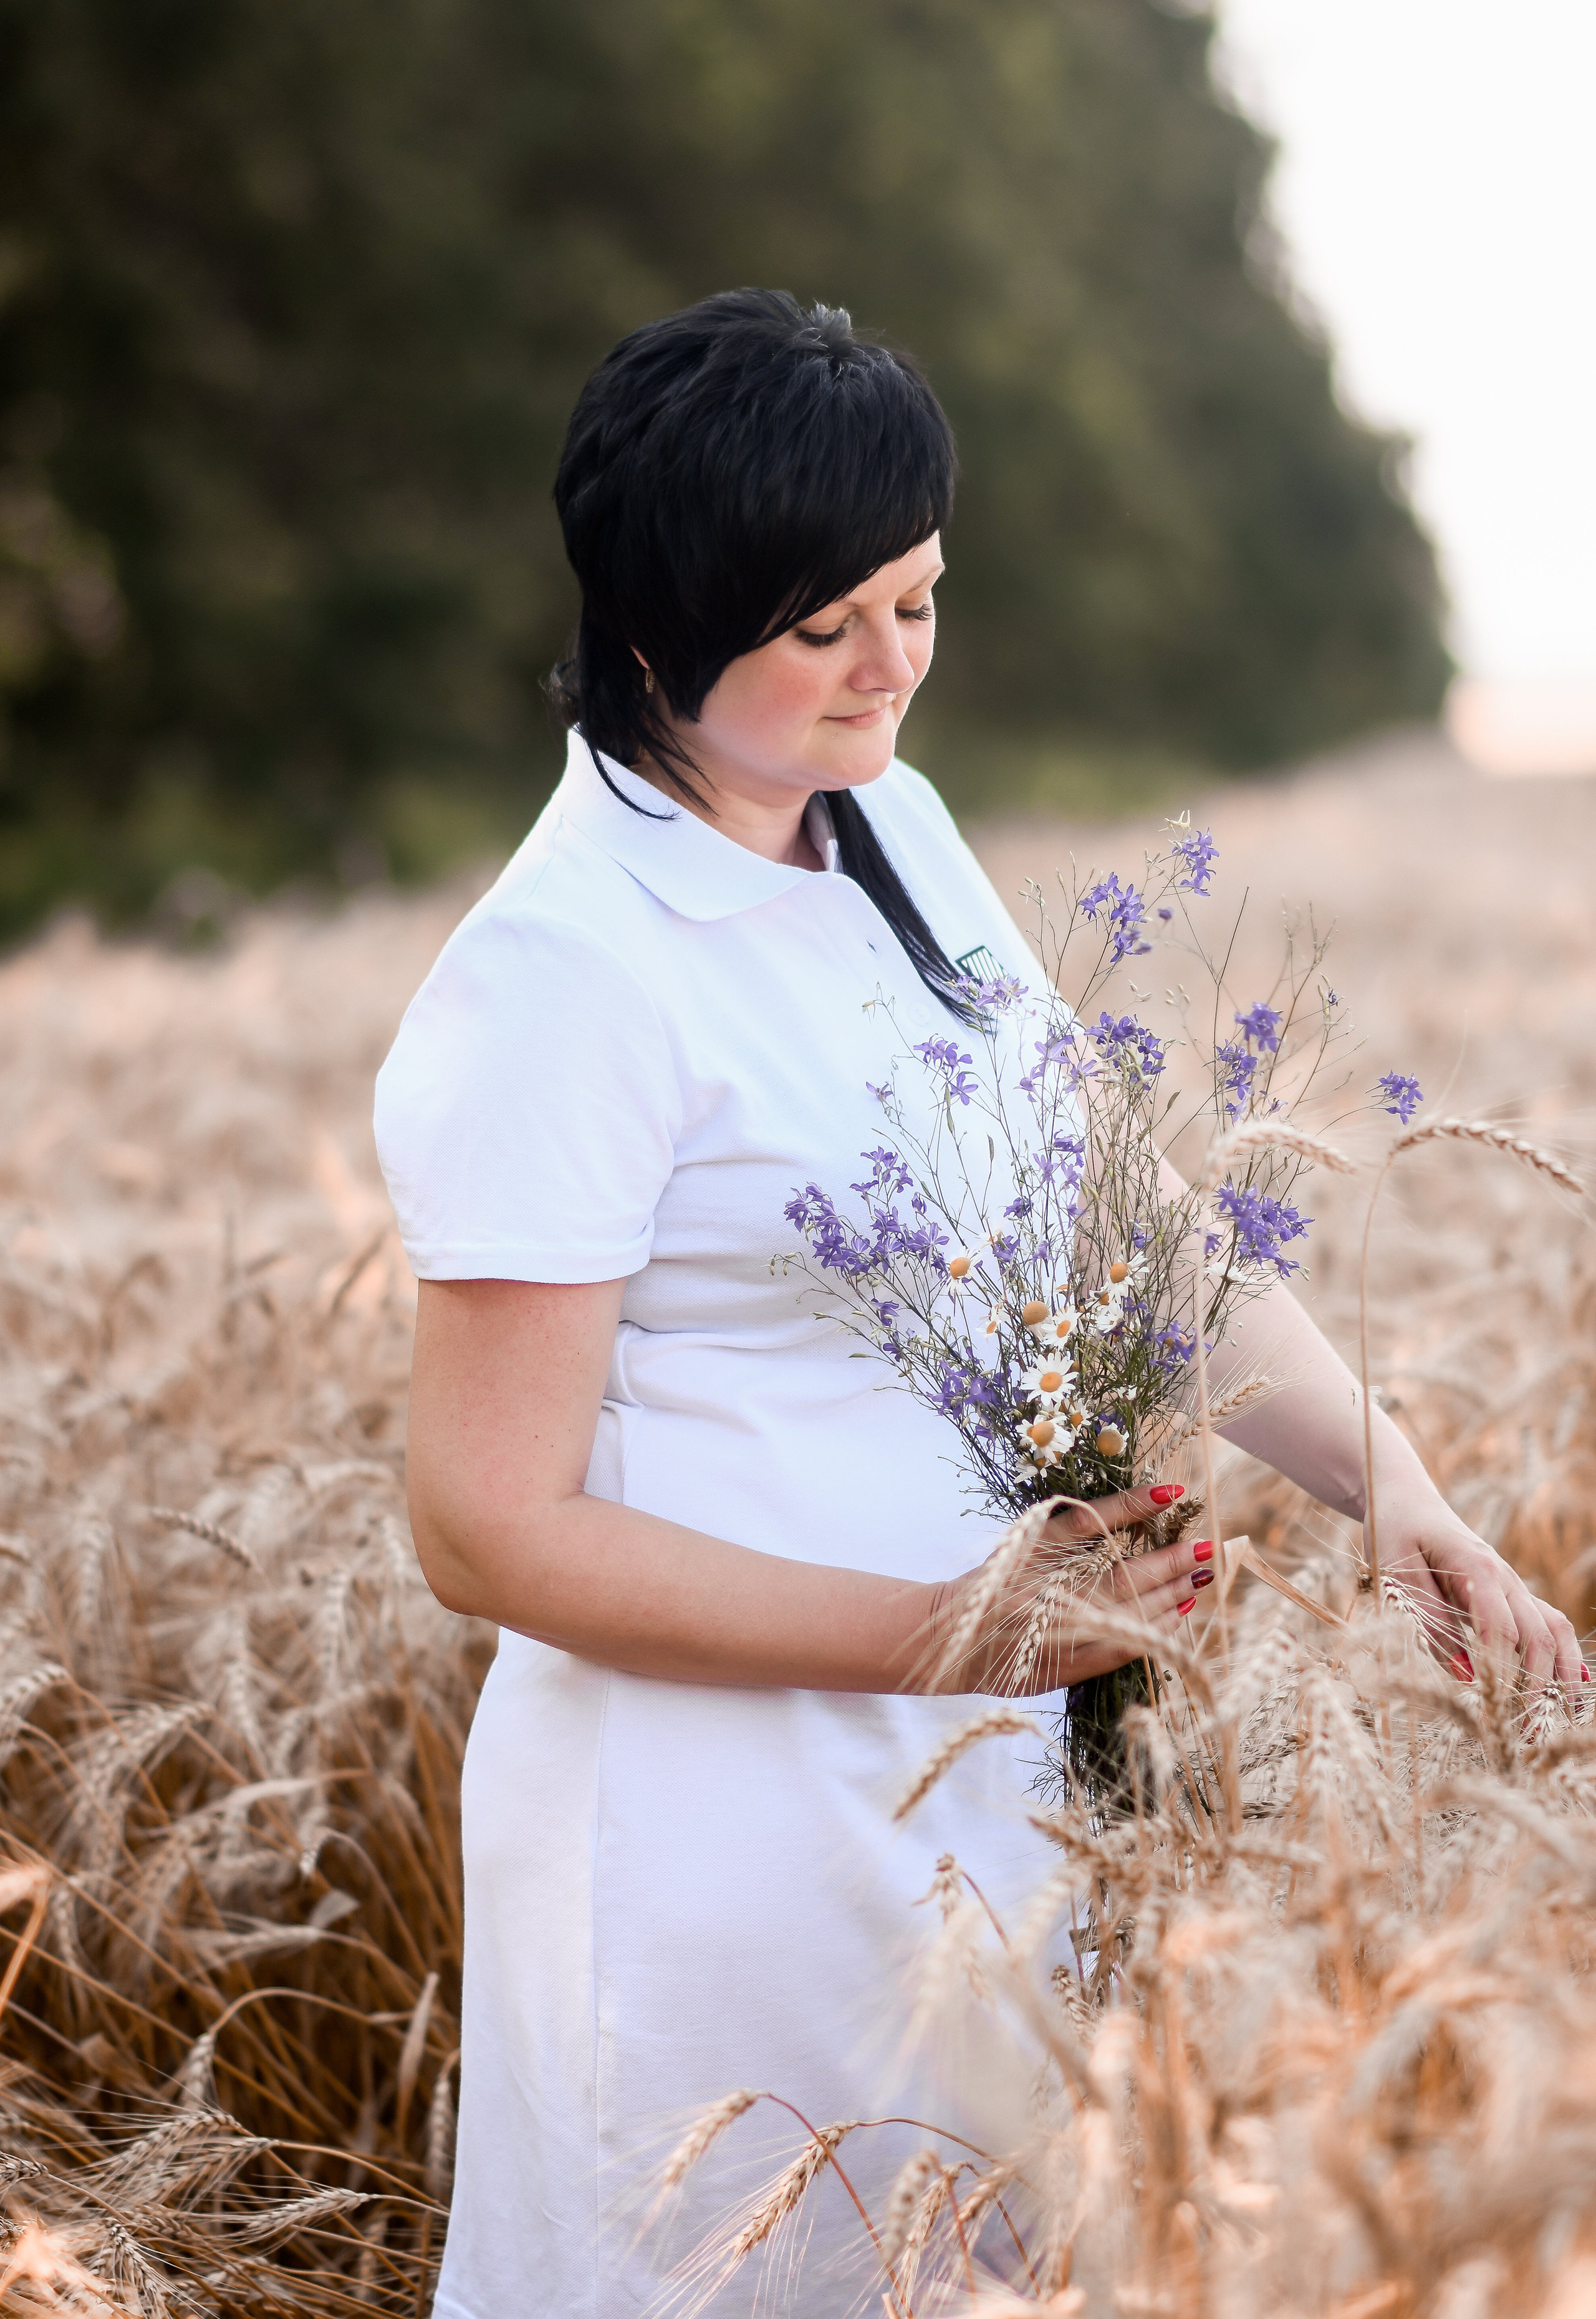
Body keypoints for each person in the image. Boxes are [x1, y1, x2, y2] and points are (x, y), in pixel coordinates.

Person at [373, 289, 1582, 2319]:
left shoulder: (900, 836)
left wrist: (1403, 1496)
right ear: (658, 631)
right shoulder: (560, 977)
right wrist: (952, 1634)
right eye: (825, 627)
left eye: (920, 602)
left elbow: (1127, 1230)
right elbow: (482, 1523)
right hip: (714, 1846)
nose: (892, 670)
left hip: (988, 1788)